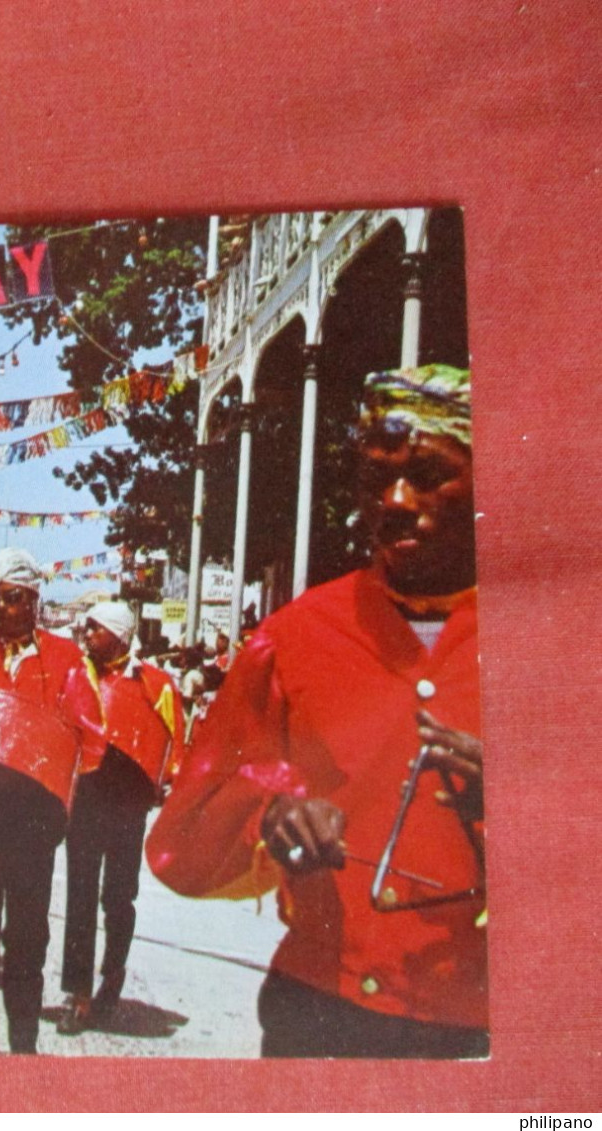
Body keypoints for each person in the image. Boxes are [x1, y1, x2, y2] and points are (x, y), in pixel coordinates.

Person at [146, 364, 487, 1059]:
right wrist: (276, 813)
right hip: (318, 1015)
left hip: (487, 1033)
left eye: (426, 474)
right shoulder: (295, 636)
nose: (393, 500)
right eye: (375, 479)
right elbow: (183, 842)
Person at [0, 547, 101, 1054]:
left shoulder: (65, 659)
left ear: (33, 600)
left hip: (32, 824)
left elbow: (91, 736)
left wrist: (65, 791)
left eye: (13, 598)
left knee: (26, 942)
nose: (3, 609)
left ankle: (22, 1046)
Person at [57, 601, 185, 1036]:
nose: (87, 636)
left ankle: (111, 977)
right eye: (86, 628)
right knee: (79, 894)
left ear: (119, 635)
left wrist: (168, 781)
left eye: (95, 629)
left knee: (118, 897)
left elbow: (176, 737)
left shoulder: (154, 682)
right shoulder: (77, 677)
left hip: (128, 796)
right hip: (88, 792)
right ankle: (77, 993)